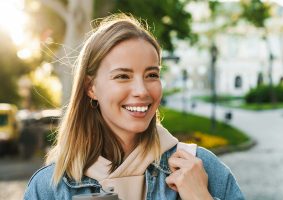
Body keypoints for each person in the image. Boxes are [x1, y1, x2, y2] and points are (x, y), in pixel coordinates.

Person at [24, 14, 244, 200]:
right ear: (91, 87)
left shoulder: (201, 167)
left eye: (151, 75)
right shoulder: (48, 188)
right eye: (122, 76)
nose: (142, 90)